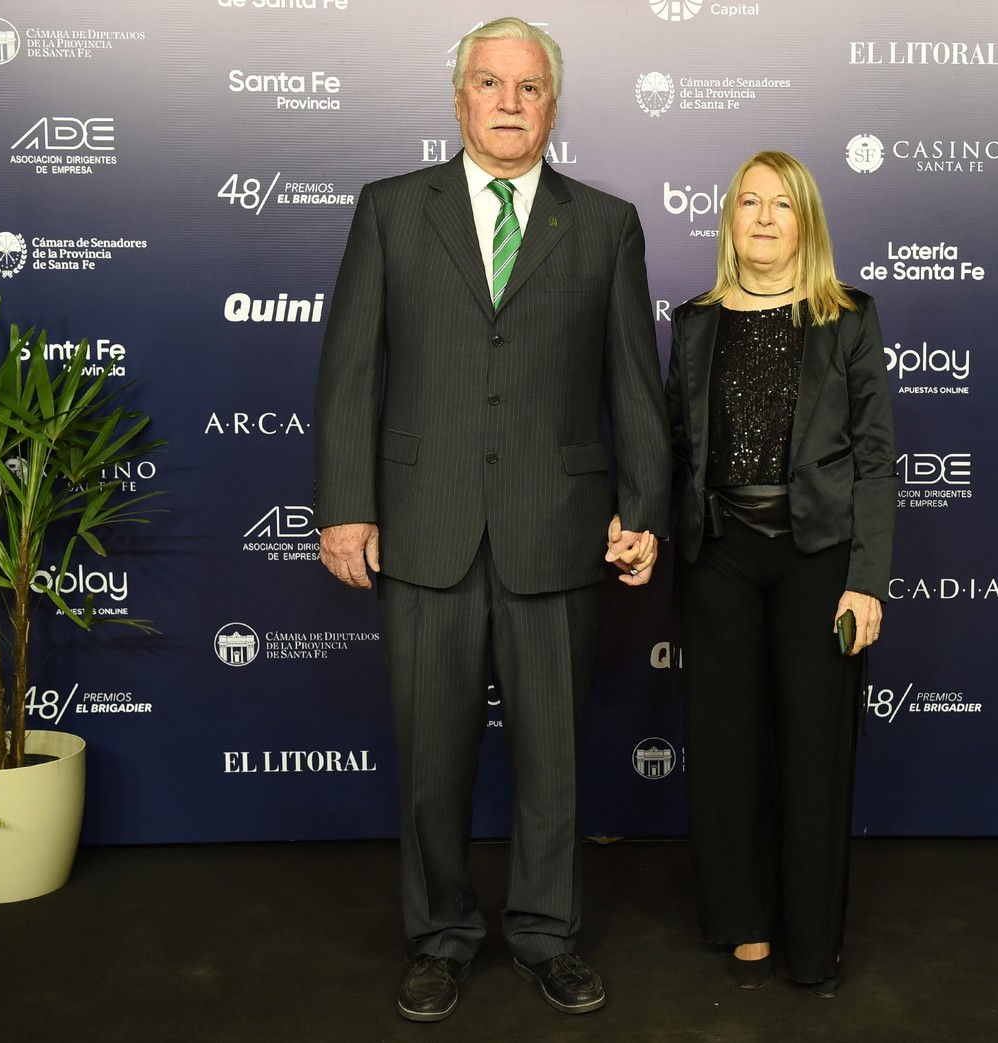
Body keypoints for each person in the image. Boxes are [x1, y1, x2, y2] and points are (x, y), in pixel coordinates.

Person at [312, 17, 669, 1023]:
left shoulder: (604, 223)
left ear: (552, 103)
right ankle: (438, 937)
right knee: (430, 763)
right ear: (457, 98)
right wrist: (345, 507)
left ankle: (547, 937)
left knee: (553, 761)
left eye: (527, 88)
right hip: (423, 531)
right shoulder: (389, 210)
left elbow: (633, 387)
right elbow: (348, 374)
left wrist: (641, 507)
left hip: (556, 530)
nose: (508, 103)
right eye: (488, 84)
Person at [664, 150, 896, 997]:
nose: (762, 218)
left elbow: (876, 459)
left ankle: (811, 940)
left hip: (818, 562)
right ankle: (744, 922)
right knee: (725, 751)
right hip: (719, 555)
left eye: (780, 205)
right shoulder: (694, 321)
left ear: (806, 222)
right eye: (747, 202)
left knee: (813, 751)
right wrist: (642, 530)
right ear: (728, 218)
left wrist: (865, 579)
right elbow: (676, 450)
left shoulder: (847, 317)